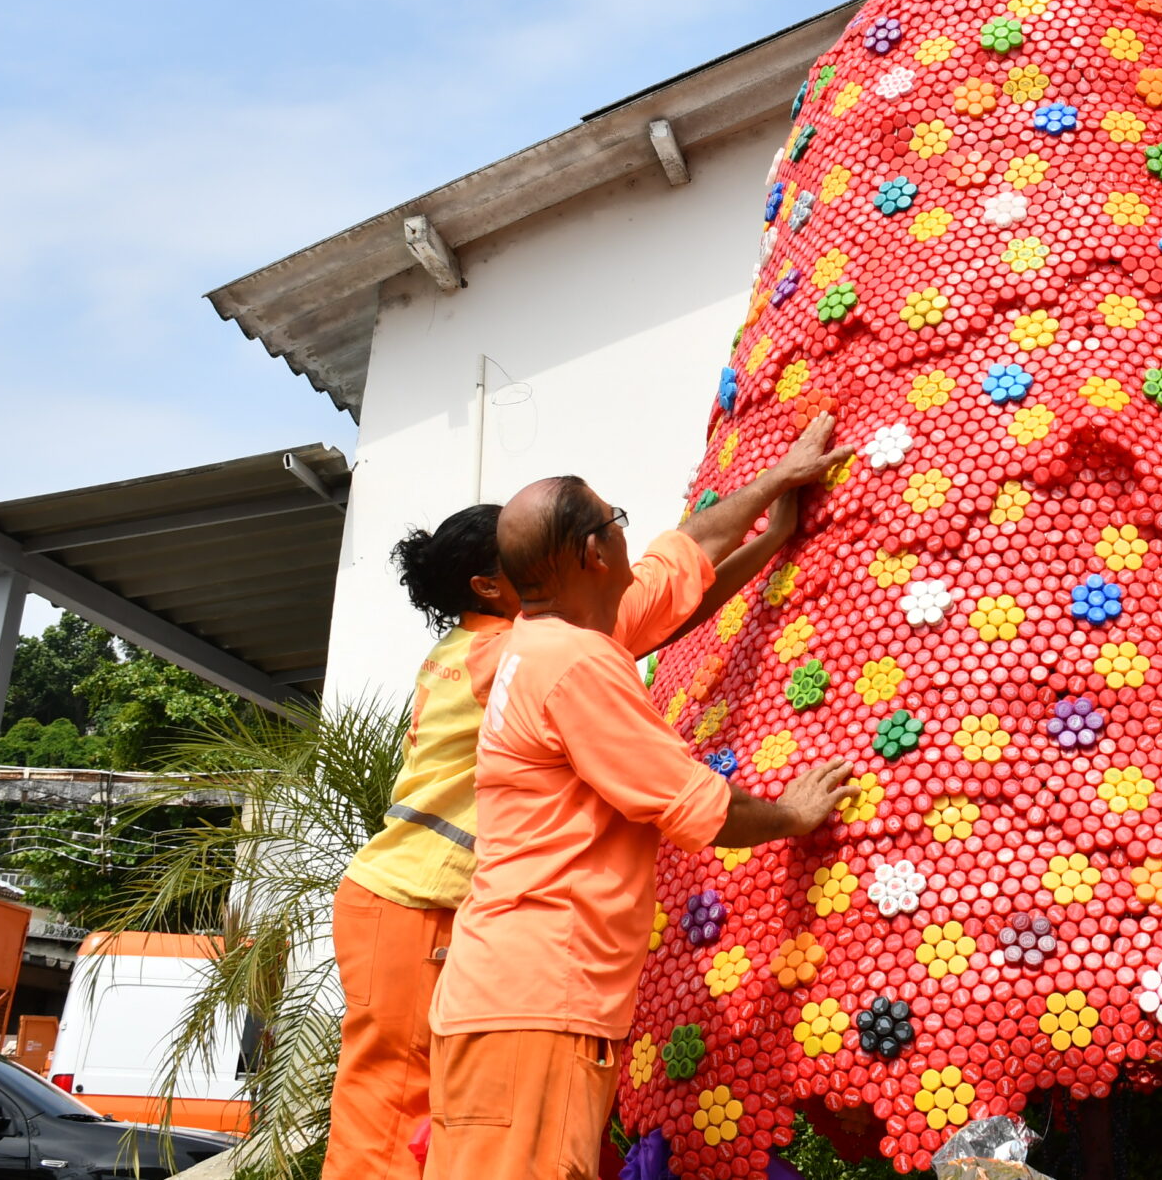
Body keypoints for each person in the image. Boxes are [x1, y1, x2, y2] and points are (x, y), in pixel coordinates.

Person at [426, 415, 860, 1180]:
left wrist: (771, 491)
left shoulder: (540, 639)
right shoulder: (577, 666)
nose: (632, 536)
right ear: (595, 552)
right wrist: (793, 812)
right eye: (617, 521)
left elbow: (679, 563)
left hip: (497, 999)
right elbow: (695, 804)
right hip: (540, 999)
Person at [325, 504, 517, 1180]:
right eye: (532, 546)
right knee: (393, 1103)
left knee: (399, 1099)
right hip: (413, 903)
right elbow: (632, 618)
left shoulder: (454, 650)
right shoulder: (501, 652)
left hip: (393, 899)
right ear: (488, 583)